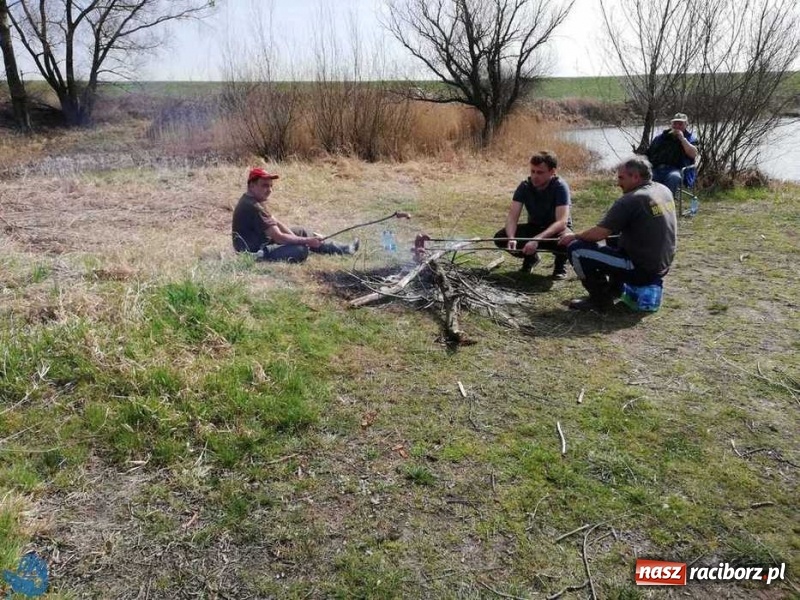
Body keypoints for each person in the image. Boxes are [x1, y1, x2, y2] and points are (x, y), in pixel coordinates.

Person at [558, 157, 677, 311]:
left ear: (635, 177)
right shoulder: (663, 189)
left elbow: (598, 234)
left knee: (577, 250)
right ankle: (615, 289)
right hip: (662, 265)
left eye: (621, 178)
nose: (618, 183)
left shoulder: (631, 199)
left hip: (642, 269)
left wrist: (574, 236)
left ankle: (599, 300)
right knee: (614, 233)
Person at [231, 167, 359, 262]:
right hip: (252, 252)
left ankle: (345, 249)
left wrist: (299, 238)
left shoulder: (253, 200)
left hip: (262, 243)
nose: (269, 190)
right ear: (252, 185)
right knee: (300, 250)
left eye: (271, 186)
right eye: (265, 185)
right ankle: (261, 258)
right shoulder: (254, 206)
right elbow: (279, 237)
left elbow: (276, 222)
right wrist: (305, 242)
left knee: (301, 231)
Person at [493, 151, 572, 279]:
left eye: (540, 172)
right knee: (501, 237)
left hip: (556, 231)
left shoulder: (560, 187)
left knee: (569, 241)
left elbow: (561, 222)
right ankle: (530, 258)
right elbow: (512, 217)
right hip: (534, 227)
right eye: (532, 171)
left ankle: (560, 265)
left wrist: (536, 240)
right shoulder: (524, 186)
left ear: (552, 172)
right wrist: (512, 237)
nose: (535, 176)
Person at [645, 113, 699, 195]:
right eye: (675, 123)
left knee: (674, 178)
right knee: (645, 178)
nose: (677, 126)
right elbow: (649, 154)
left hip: (676, 170)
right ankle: (648, 203)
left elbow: (693, 154)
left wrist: (682, 139)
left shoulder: (690, 138)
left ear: (686, 125)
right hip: (656, 168)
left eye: (680, 124)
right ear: (671, 124)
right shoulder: (661, 138)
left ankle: (668, 203)